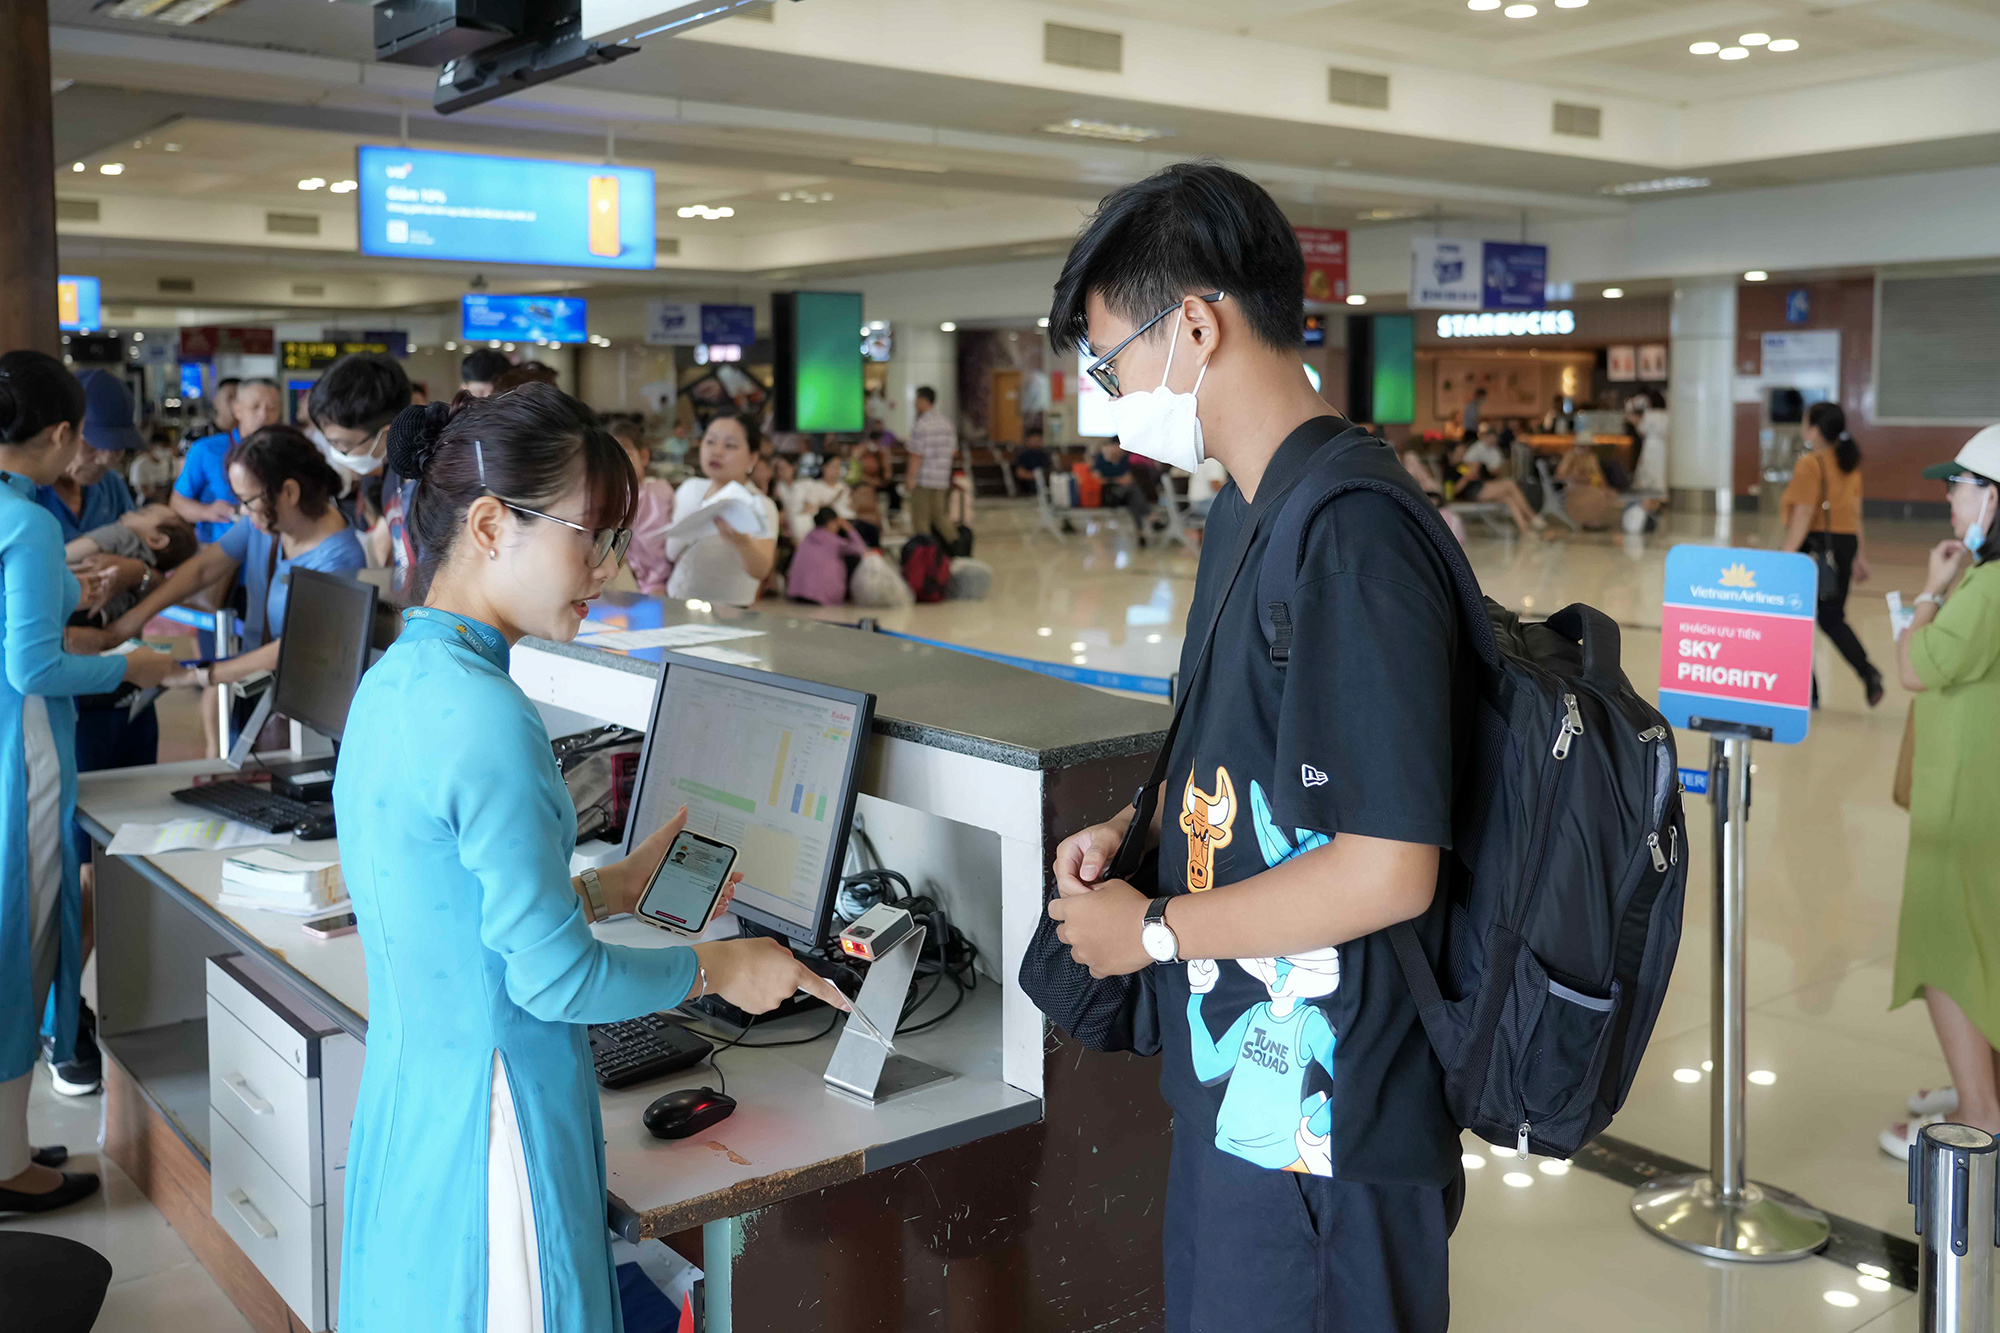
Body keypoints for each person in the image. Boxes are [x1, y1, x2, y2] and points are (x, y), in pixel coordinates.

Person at [1041, 162, 1465, 1333]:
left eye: (1109, 360)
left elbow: (1388, 865)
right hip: (1244, 1090)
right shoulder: (1246, 505)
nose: (1109, 393)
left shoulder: (1351, 533)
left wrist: (1155, 932)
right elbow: (1240, 745)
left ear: (1193, 324)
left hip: (1330, 1122)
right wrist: (1134, 830)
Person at [333, 386, 845, 1330]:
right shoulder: (491, 717)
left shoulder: (399, 679)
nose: (607, 569)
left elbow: (459, 906)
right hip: (501, 1132)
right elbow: (554, 982)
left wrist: (611, 884)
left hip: (415, 1109)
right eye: (590, 536)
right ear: (490, 524)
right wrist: (723, 966)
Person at [0, 350, 175, 1213]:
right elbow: (33, 666)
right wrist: (124, 662)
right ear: (64, 433)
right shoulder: (25, 523)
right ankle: (6, 1164)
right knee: (24, 948)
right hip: (21, 751)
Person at [74, 427, 368, 754]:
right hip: (260, 691)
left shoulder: (340, 557)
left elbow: (296, 647)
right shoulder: (266, 524)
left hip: (310, 714)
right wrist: (123, 627)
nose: (243, 512)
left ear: (289, 492)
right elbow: (202, 569)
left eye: (248, 501)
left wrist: (198, 676)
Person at [1882, 426, 2000, 1156]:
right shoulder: (1984, 579)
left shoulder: (1985, 588)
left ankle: (1982, 1116)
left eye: (1958, 484)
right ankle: (1978, 1086)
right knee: (1979, 944)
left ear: (1992, 498)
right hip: (1975, 791)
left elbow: (1915, 665)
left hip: (1964, 803)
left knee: (1946, 952)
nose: (1948, 496)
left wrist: (1927, 590)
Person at [1780, 401, 1882, 708]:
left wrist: (1785, 557)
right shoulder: (1849, 463)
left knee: (1794, 619)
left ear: (1814, 428)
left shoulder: (1811, 464)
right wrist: (1859, 556)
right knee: (1833, 617)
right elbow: (1855, 514)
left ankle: (1806, 693)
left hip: (1813, 549)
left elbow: (1804, 514)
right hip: (1843, 547)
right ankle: (1868, 671)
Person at [309, 353, 415, 572]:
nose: (337, 453)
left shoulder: (431, 488)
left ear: (386, 434)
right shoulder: (393, 476)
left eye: (342, 444)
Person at [665, 413, 779, 607]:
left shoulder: (759, 504)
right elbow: (670, 552)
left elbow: (761, 570)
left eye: (730, 445)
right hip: (676, 602)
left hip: (730, 612)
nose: (716, 451)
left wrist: (743, 543)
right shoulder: (689, 488)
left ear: (752, 458)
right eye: (710, 441)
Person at [172, 378, 280, 543]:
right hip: (220, 552)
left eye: (271, 408)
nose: (264, 415)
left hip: (272, 551)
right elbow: (177, 502)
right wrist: (206, 511)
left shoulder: (287, 452)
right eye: (255, 407)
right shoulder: (206, 449)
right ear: (237, 410)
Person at [609, 419, 674, 595]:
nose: (619, 463)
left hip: (664, 575)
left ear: (644, 456)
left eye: (626, 453)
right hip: (626, 574)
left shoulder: (661, 490)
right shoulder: (611, 498)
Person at [1452, 427, 1544, 535]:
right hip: (1473, 489)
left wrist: (1479, 471)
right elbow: (1457, 487)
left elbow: (1493, 472)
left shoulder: (1494, 452)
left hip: (1480, 484)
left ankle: (1525, 530)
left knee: (1509, 498)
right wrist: (1471, 473)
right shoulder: (1471, 454)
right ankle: (1532, 517)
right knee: (1510, 484)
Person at [906, 386, 958, 545]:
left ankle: (926, 555)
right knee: (940, 516)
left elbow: (916, 455)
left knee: (921, 521)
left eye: (916, 399)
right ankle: (957, 546)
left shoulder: (921, 425)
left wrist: (910, 478)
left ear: (923, 400)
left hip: (924, 480)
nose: (914, 403)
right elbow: (954, 451)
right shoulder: (947, 423)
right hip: (941, 480)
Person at [787, 506, 867, 605]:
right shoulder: (834, 541)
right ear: (831, 523)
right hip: (822, 598)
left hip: (797, 594)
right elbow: (861, 549)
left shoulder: (806, 538)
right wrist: (849, 528)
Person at [1091, 438, 1154, 541]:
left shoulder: (1124, 460)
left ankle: (1141, 533)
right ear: (1110, 446)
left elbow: (1128, 478)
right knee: (1133, 492)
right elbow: (1098, 480)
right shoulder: (1100, 460)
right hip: (1108, 495)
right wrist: (1116, 480)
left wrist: (1115, 480)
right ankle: (1150, 516)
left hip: (1124, 494)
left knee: (1133, 500)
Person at [1554, 438, 1622, 531]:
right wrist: (1581, 478)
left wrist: (1606, 488)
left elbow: (1599, 476)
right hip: (1574, 489)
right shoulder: (1570, 456)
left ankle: (1597, 521)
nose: (1586, 448)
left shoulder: (1591, 457)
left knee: (1611, 494)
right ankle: (1588, 522)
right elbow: (1560, 476)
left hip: (1591, 486)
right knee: (1597, 494)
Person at [1627, 390, 1669, 495]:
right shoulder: (1666, 415)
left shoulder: (1650, 416)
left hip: (1653, 448)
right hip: (1663, 448)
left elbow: (1639, 427)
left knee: (1651, 478)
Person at [127, 429, 178, 505]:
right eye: (162, 447)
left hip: (168, 502)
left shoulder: (172, 462)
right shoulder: (139, 465)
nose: (165, 451)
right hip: (147, 504)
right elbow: (143, 491)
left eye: (167, 448)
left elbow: (176, 485)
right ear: (152, 447)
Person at [1013, 427, 1053, 491]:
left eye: (1039, 439)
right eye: (1035, 439)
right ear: (1028, 439)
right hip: (1029, 486)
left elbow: (1048, 470)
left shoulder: (1044, 454)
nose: (1037, 441)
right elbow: (1020, 473)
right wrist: (1036, 476)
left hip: (1045, 485)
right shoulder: (1024, 454)